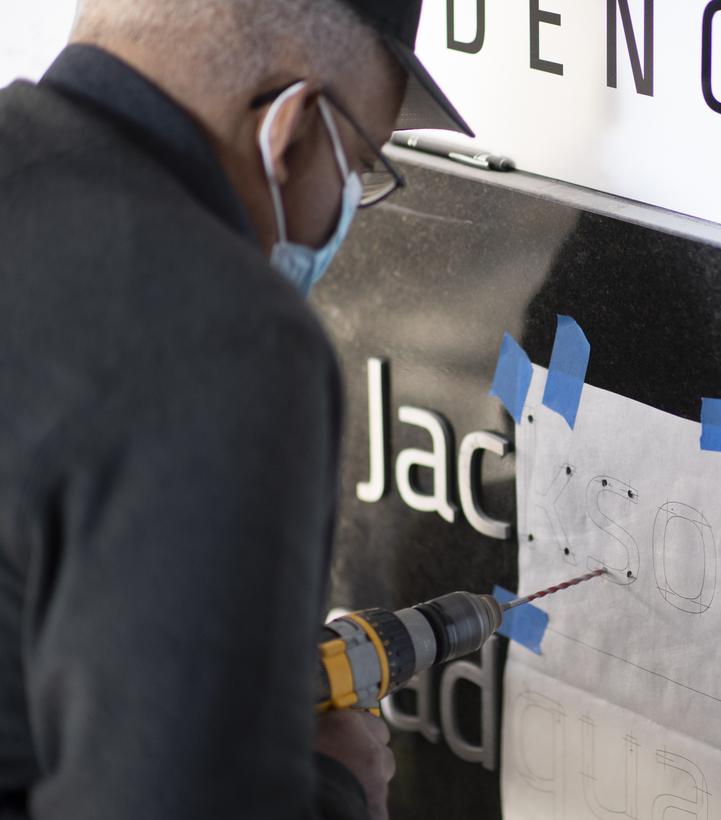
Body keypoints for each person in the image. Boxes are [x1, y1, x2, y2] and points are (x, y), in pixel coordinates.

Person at [0, 1, 472, 818]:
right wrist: (334, 786)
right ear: (291, 129)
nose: (348, 209)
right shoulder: (224, 338)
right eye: (358, 166)